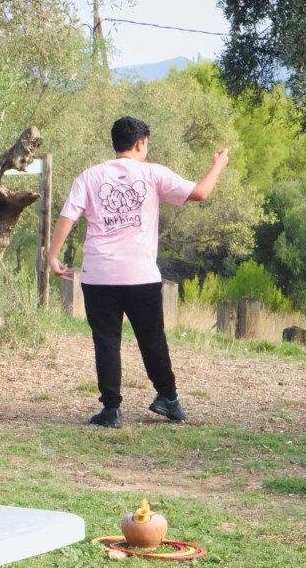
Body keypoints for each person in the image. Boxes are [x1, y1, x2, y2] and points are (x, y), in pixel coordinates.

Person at [48, 117, 228, 427]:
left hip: (99, 275)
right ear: (140, 143)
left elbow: (68, 216)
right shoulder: (152, 174)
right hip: (141, 276)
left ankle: (111, 410)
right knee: (152, 338)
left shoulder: (90, 176)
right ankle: (168, 399)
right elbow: (200, 193)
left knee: (106, 340)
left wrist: (53, 256)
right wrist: (218, 165)